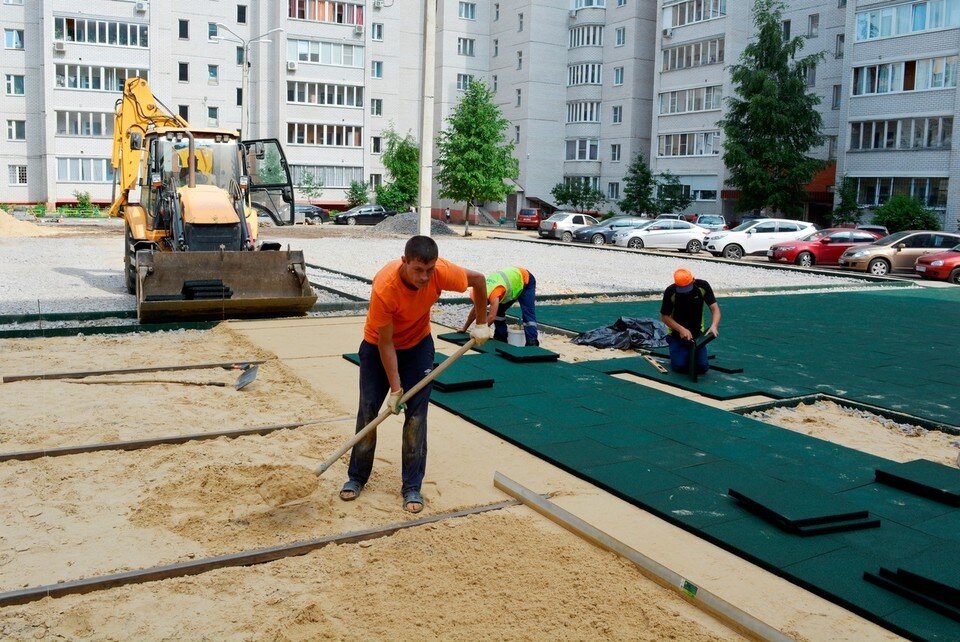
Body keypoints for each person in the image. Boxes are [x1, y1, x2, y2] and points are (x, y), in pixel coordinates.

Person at [340, 235, 491, 513]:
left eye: (429, 270)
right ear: (404, 261)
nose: (424, 277)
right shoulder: (386, 287)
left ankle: (412, 486)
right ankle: (356, 477)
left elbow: (480, 281)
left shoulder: (440, 272)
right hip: (378, 347)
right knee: (369, 410)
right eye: (418, 270)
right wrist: (396, 390)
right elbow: (386, 344)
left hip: (418, 345)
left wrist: (482, 323)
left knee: (417, 417)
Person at [660, 268, 720, 375]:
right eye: (681, 288)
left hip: (697, 335)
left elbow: (715, 309)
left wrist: (714, 325)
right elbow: (664, 317)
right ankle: (678, 352)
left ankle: (691, 353)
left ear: (693, 280)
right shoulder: (671, 292)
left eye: (687, 287)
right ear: (676, 284)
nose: (685, 291)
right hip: (676, 335)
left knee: (702, 368)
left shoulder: (702, 286)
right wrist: (681, 329)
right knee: (680, 366)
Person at [461, 266, 539, 347]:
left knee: (528, 313)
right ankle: (500, 338)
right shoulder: (478, 292)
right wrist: (464, 328)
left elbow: (491, 316)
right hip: (511, 285)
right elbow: (474, 311)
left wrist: (480, 330)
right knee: (499, 312)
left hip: (526, 280)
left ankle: (532, 342)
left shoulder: (494, 294)